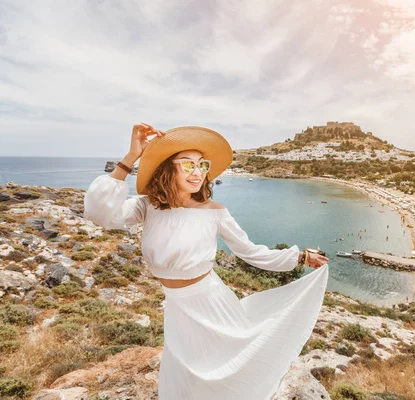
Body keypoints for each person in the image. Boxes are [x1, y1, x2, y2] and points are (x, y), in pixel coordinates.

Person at [83, 123, 329, 400]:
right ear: (167, 168)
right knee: (188, 380)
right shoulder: (147, 206)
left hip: (213, 303)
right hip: (177, 306)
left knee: (227, 376)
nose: (198, 172)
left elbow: (250, 252)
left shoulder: (214, 212)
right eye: (187, 165)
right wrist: (130, 158)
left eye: (202, 165)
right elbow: (99, 213)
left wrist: (299, 257)